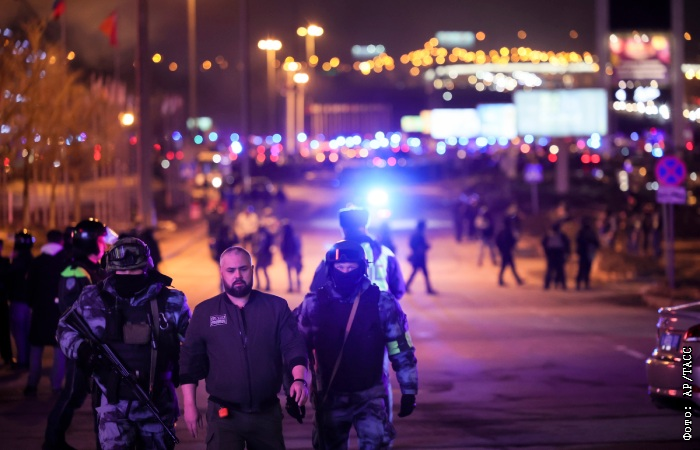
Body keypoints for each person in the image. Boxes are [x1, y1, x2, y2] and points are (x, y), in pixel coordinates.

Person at [55, 237, 190, 449]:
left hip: (158, 404)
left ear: (146, 267)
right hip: (112, 406)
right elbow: (64, 329)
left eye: (134, 270)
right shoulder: (93, 298)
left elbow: (194, 343)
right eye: (122, 271)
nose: (127, 275)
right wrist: (82, 350)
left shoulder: (171, 301)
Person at [179, 246, 309, 449]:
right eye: (231, 270)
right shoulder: (205, 312)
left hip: (266, 413)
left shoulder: (276, 307)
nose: (237, 275)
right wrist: (189, 406)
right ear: (221, 273)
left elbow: (294, 346)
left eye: (243, 269)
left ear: (252, 269)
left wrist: (299, 379)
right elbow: (189, 361)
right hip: (223, 416)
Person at [297, 240, 418, 449]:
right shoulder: (313, 304)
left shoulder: (382, 303)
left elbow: (400, 348)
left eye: (351, 267)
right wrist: (294, 387)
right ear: (331, 269)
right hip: (330, 397)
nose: (345, 272)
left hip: (370, 395)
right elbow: (296, 349)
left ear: (362, 268)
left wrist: (409, 389)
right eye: (340, 267)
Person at [43, 218, 117, 450]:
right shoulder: (75, 272)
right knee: (73, 393)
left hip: (99, 347)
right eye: (101, 240)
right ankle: (52, 442)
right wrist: (84, 345)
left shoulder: (94, 269)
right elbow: (72, 314)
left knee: (100, 399)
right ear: (91, 242)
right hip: (82, 347)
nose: (105, 245)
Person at [24, 230, 66, 396]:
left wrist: (32, 304)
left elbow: (29, 287)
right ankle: (56, 385)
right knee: (59, 349)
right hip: (59, 311)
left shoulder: (37, 261)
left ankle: (32, 383)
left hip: (40, 310)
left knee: (36, 348)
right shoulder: (65, 261)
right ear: (61, 241)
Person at [8, 229, 36, 369]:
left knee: (19, 332)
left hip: (18, 301)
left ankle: (23, 361)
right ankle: (27, 360)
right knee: (26, 333)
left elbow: (10, 279)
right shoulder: (31, 260)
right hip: (29, 302)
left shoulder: (18, 261)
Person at [405, 219, 436, 294]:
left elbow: (411, 244)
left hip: (417, 257)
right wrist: (425, 247)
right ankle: (428, 289)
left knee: (416, 273)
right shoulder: (419, 235)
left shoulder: (416, 234)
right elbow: (420, 245)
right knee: (422, 273)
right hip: (419, 257)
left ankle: (406, 287)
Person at [495, 219, 524, 287]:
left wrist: (500, 249)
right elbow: (512, 241)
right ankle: (516, 280)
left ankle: (517, 279)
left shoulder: (501, 232)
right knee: (508, 266)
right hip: (507, 251)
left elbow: (497, 241)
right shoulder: (508, 232)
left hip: (504, 251)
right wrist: (514, 243)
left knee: (506, 266)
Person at [542, 222, 571, 290]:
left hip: (555, 252)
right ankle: (558, 284)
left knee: (556, 269)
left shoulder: (552, 235)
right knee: (557, 269)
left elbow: (544, 243)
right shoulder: (553, 235)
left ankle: (550, 284)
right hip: (555, 252)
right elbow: (567, 243)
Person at [575, 217, 600, 290]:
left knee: (584, 268)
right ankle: (582, 283)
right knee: (585, 268)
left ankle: (583, 283)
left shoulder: (583, 232)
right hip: (586, 252)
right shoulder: (587, 232)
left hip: (586, 252)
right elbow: (596, 242)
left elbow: (596, 242)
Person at [0, 239, 13, 367]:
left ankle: (7, 357)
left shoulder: (4, 262)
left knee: (4, 331)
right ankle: (7, 357)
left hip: (3, 300)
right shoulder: (4, 262)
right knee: (4, 331)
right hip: (2, 300)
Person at [280, 221, 303, 293]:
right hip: (291, 256)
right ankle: (294, 286)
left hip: (292, 256)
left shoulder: (289, 237)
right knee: (294, 272)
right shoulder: (291, 236)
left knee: (293, 272)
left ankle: (294, 287)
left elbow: (297, 247)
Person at [253, 226, 274, 291]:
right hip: (263, 256)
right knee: (263, 270)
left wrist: (257, 251)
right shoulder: (266, 236)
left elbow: (262, 247)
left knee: (260, 270)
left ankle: (264, 285)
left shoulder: (263, 237)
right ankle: (266, 285)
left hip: (262, 256)